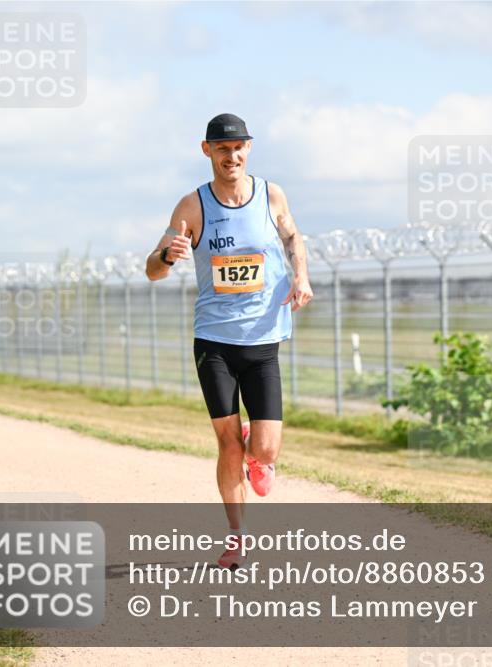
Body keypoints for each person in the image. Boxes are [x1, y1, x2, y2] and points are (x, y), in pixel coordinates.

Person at [145, 113, 313, 569]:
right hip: (214, 341)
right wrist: (167, 255)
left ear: (249, 149)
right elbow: (152, 270)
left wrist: (300, 275)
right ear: (207, 151)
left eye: (238, 148)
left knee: (265, 450)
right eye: (222, 149)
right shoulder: (191, 207)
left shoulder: (270, 194)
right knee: (227, 446)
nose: (231, 156)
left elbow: (293, 234)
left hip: (262, 338)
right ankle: (237, 537)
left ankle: (255, 446)